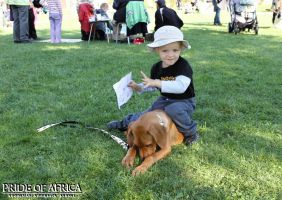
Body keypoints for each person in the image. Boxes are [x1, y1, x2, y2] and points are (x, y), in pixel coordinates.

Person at [107, 26, 199, 146]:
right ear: (157, 50)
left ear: (181, 49)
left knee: (174, 110)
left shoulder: (183, 66)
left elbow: (180, 86)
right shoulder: (156, 68)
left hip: (184, 101)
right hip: (165, 99)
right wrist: (138, 87)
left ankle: (191, 132)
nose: (170, 55)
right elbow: (152, 85)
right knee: (147, 115)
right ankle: (123, 123)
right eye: (165, 51)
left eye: (175, 50)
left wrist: (157, 82)